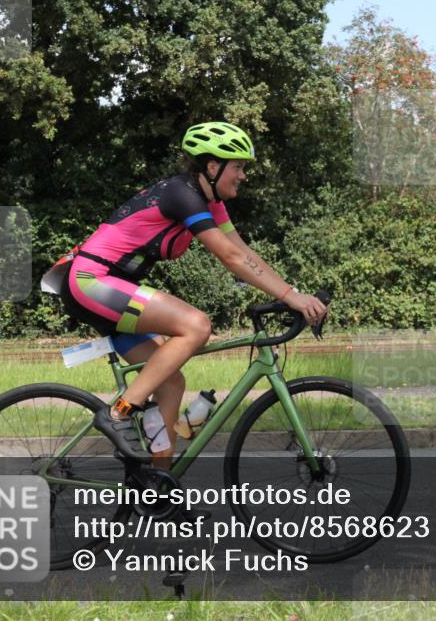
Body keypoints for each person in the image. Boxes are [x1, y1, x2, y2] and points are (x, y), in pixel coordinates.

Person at [56, 121, 327, 465]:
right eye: (238, 167)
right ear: (212, 167)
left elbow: (243, 253)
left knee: (170, 385)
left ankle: (158, 485)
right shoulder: (181, 194)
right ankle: (119, 413)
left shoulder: (210, 202)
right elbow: (230, 259)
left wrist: (293, 293)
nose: (243, 175)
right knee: (196, 325)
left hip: (109, 287)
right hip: (91, 281)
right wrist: (291, 297)